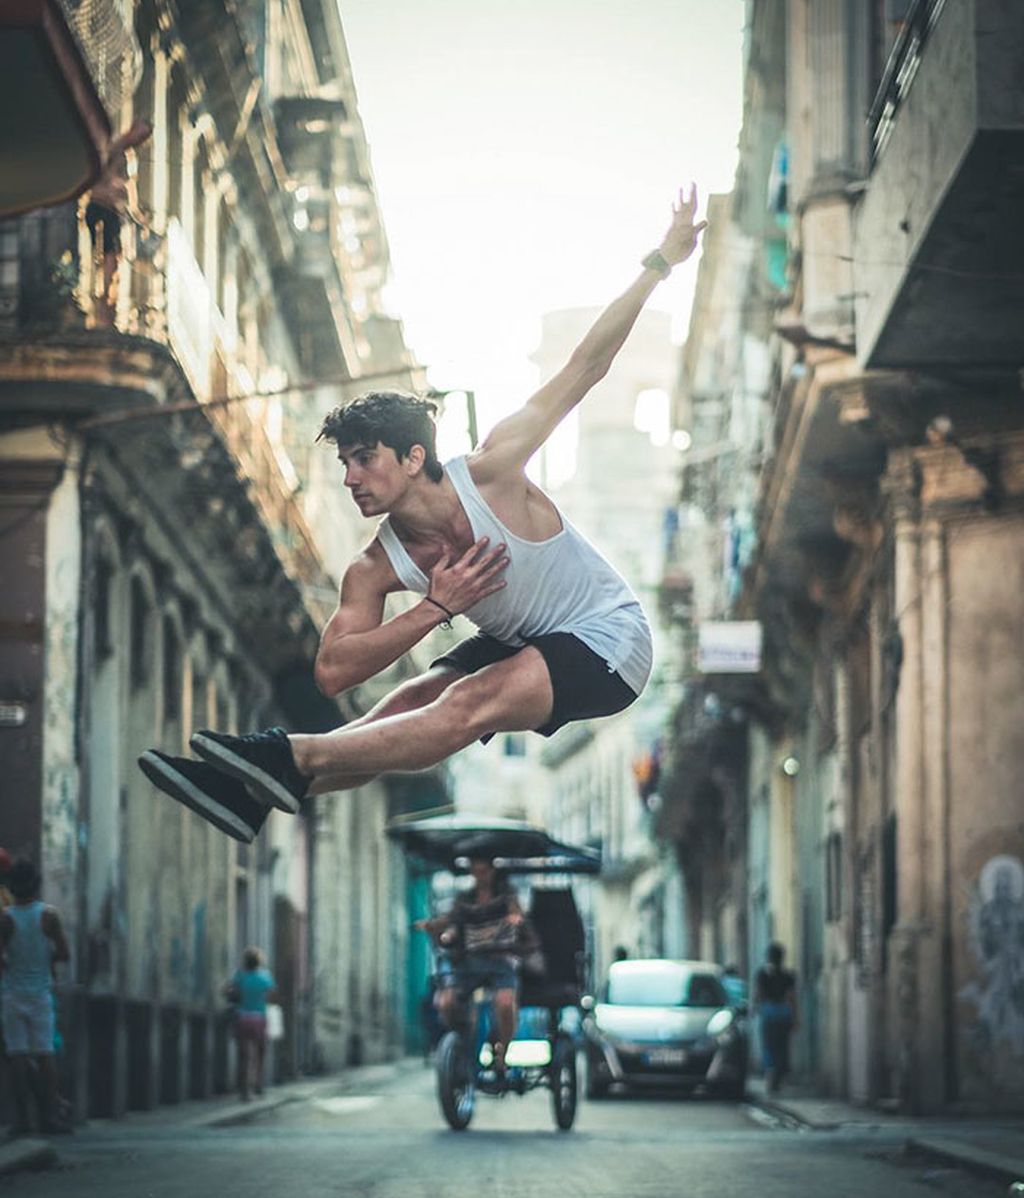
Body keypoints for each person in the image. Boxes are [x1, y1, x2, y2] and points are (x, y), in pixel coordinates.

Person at [137, 187, 707, 839]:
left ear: (413, 457)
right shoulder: (374, 566)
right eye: (344, 463)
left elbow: (588, 364)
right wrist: (433, 609)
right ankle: (251, 795)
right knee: (405, 704)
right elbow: (334, 671)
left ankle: (287, 756)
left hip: (610, 640)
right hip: (521, 638)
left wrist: (660, 262)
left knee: (466, 702)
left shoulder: (495, 468)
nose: (351, 477)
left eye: (364, 459)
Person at [417, 854, 535, 1074]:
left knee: (505, 1002)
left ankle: (503, 1052)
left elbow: (518, 915)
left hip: (501, 961)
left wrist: (516, 920)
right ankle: (460, 1040)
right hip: (470, 963)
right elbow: (450, 921)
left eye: (483, 871)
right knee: (446, 1002)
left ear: (492, 872)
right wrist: (436, 929)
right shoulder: (465, 899)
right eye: (475, 871)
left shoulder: (507, 897)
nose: (479, 876)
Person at [0, 859, 71, 1134]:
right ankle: (50, 1116)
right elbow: (65, 954)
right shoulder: (49, 916)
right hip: (40, 994)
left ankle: (22, 1120)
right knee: (45, 1053)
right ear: (37, 883)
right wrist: (45, 959)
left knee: (17, 1054)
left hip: (11, 995)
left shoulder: (5, 919)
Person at [85, 118, 153, 326]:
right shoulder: (113, 147)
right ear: (132, 129)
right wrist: (117, 185)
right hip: (100, 205)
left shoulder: (126, 155)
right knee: (106, 254)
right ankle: (101, 296)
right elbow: (100, 175)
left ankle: (106, 295)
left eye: (143, 138)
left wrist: (138, 214)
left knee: (113, 256)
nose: (139, 140)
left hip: (113, 210)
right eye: (139, 135)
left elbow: (129, 189)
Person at [225, 947, 278, 1102]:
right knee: (260, 1053)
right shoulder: (265, 977)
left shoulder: (239, 976)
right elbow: (272, 995)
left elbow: (230, 991)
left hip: (241, 1017)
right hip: (258, 1018)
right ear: (259, 962)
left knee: (243, 1055)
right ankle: (259, 1084)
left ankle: (244, 1092)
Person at [754, 942, 797, 1093]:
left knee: (769, 1046)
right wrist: (795, 1017)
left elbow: (759, 994)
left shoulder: (762, 974)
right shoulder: (788, 975)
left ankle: (771, 1075)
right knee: (782, 1046)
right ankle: (779, 1076)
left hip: (769, 1012)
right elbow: (791, 997)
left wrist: (756, 1007)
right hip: (783, 1012)